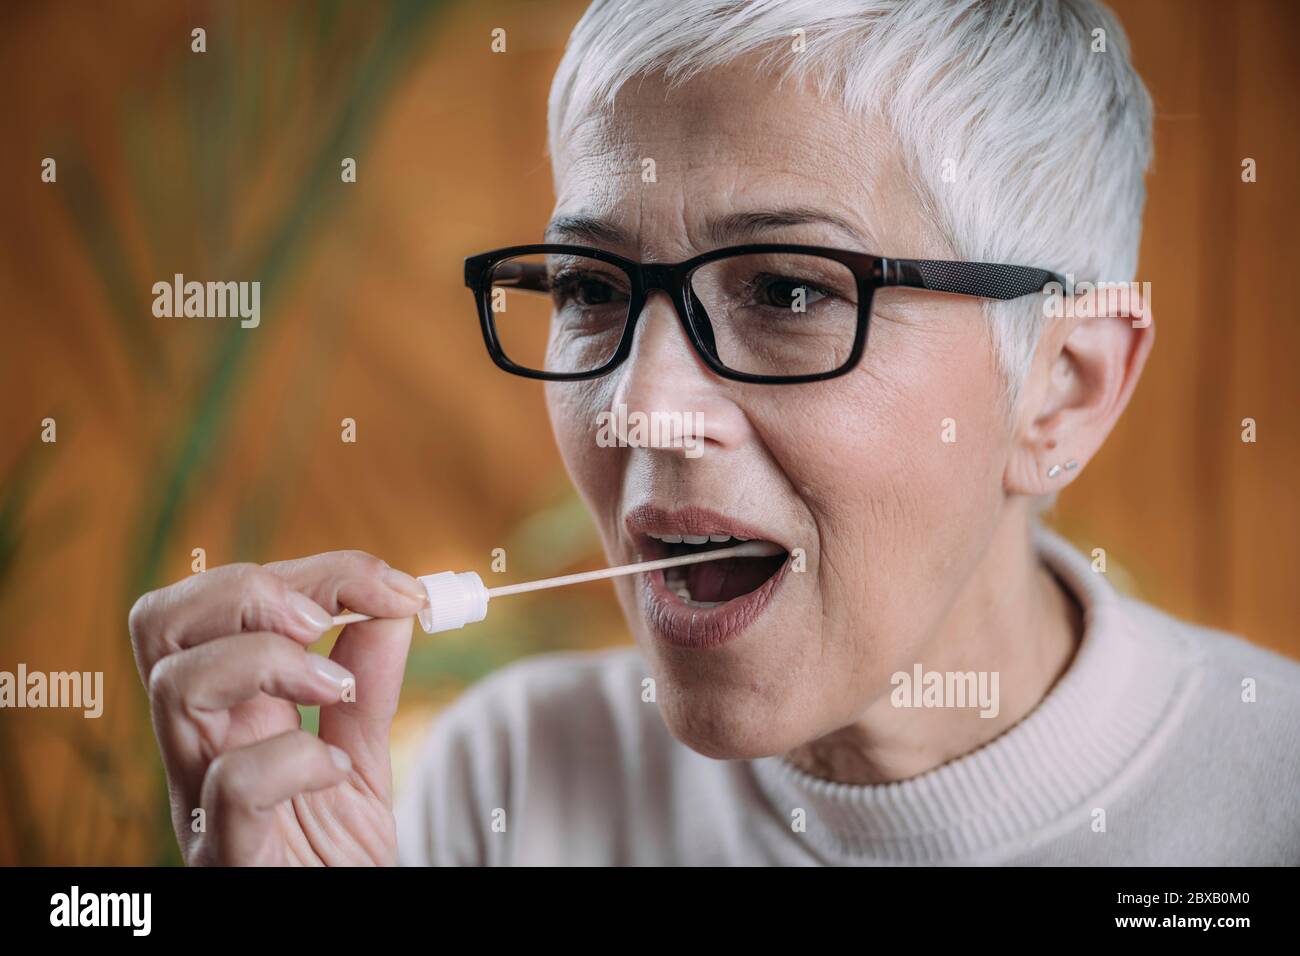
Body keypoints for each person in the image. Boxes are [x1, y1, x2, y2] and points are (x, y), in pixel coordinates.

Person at [129, 0, 1300, 865]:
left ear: (1065, 387)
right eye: (591, 287)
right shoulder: (495, 789)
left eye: (788, 292)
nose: (646, 403)